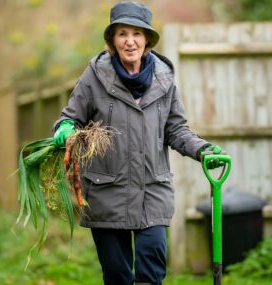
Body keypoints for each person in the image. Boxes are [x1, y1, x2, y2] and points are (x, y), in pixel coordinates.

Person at [52, 2, 224, 284]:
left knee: (152, 272)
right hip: (106, 192)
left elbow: (176, 129)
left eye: (136, 33)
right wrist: (66, 128)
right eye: (122, 33)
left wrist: (202, 150)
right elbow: (70, 117)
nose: (129, 41)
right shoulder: (94, 77)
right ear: (112, 40)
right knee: (117, 277)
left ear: (147, 40)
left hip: (151, 191)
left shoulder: (165, 80)